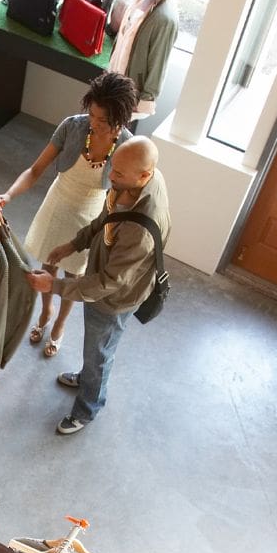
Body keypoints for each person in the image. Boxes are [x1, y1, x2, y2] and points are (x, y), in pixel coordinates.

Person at [25, 136, 170, 435]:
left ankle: (87, 408)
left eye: (118, 173)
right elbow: (108, 216)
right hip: (107, 283)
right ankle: (86, 377)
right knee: (95, 349)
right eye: (112, 167)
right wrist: (73, 245)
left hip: (114, 299)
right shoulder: (138, 181)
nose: (110, 176)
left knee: (100, 352)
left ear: (144, 175)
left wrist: (53, 286)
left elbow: (107, 284)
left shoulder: (139, 230)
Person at [0, 72, 138, 358]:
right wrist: (8, 195)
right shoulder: (72, 127)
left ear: (120, 121)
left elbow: (126, 196)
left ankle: (60, 323)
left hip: (92, 214)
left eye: (102, 121)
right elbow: (35, 171)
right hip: (57, 204)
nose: (93, 124)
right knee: (48, 264)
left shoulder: (127, 147)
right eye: (92, 115)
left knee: (76, 274)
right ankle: (46, 311)